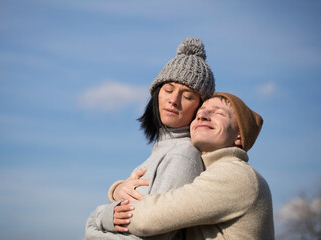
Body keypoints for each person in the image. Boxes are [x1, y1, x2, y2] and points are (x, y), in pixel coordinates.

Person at [85, 37, 215, 239]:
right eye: (168, 89)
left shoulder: (183, 154)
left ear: (200, 108)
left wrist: (94, 221)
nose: (173, 100)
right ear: (156, 93)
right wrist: (116, 192)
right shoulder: (163, 149)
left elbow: (152, 236)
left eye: (187, 96)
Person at [110, 92, 275, 240]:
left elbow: (146, 219)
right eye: (199, 112)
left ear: (239, 135)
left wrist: (103, 214)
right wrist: (118, 189)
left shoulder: (235, 174)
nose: (202, 115)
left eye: (218, 113)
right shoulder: (209, 173)